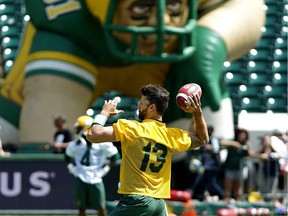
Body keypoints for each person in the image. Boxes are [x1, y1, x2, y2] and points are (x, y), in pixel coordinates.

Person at [0, 0, 265, 149]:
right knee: (34, 128)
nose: (159, 21)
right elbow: (200, 141)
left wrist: (213, 40)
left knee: (198, 70)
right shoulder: (156, 135)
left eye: (172, 4)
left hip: (172, 61)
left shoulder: (129, 129)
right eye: (142, 8)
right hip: (79, 46)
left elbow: (246, 7)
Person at [86, 84, 209, 216]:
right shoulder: (171, 135)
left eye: (142, 103)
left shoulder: (132, 128)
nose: (139, 106)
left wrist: (104, 113)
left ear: (152, 108)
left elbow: (93, 135)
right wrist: (197, 113)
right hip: (158, 202)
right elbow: (202, 139)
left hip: (137, 200)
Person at [65, 115, 120, 216]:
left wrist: (104, 170)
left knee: (101, 206)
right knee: (81, 207)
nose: (76, 131)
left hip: (96, 178)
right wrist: (72, 168)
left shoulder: (103, 143)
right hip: (80, 176)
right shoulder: (75, 144)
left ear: (85, 129)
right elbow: (67, 157)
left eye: (78, 128)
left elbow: (115, 157)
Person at [189, 125, 224, 201]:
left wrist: (209, 147)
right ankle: (201, 195)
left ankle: (221, 194)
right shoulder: (205, 140)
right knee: (207, 181)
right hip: (206, 165)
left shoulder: (213, 140)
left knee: (210, 182)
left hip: (212, 165)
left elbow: (216, 150)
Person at [220, 128, 251, 202]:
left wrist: (247, 147)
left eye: (244, 135)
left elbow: (251, 154)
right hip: (230, 167)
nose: (242, 136)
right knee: (228, 186)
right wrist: (234, 144)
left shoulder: (246, 145)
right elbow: (221, 142)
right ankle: (226, 200)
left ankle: (238, 201)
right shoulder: (233, 142)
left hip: (240, 169)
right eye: (240, 134)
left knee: (238, 187)